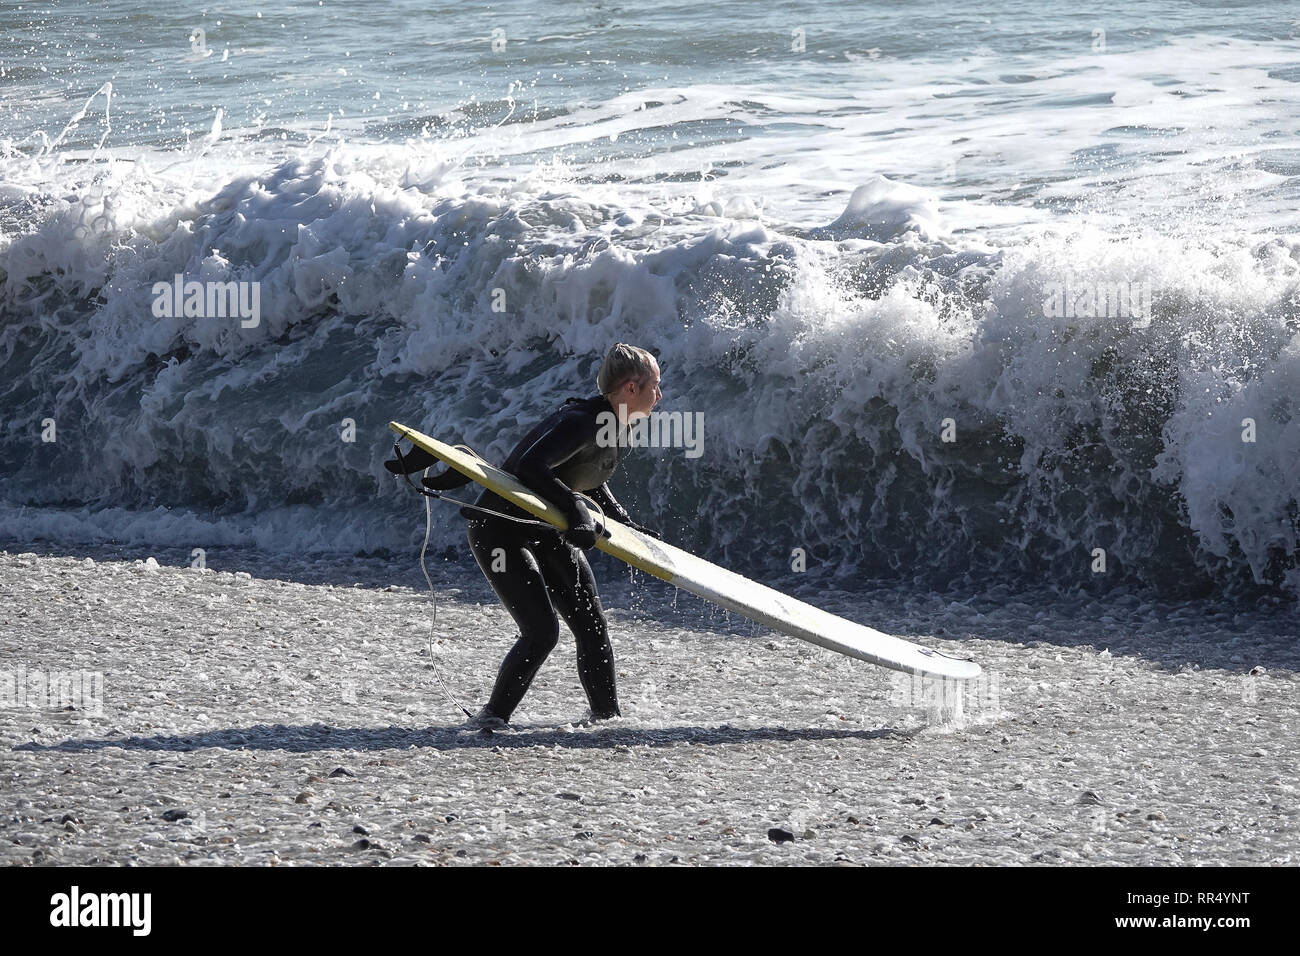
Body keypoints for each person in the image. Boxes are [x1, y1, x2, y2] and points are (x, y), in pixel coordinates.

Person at [387, 344, 662, 729]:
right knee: (542, 632)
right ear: (631, 388)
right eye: (655, 385)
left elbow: (585, 476)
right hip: (498, 528)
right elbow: (530, 466)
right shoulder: (582, 421)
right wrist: (576, 509)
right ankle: (490, 720)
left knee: (591, 624)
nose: (659, 395)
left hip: (546, 527)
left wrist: (622, 521)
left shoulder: (615, 425)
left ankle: (607, 719)